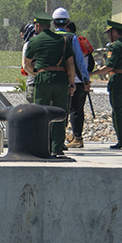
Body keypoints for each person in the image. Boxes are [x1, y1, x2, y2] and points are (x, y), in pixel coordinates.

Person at [23, 10, 76, 156]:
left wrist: (36, 73)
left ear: (38, 26)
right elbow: (71, 64)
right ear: (50, 25)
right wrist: (72, 83)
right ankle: (57, 148)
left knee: (41, 114)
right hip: (61, 79)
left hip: (42, 79)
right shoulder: (64, 40)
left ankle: (42, 146)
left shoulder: (33, 41)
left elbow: (26, 64)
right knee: (59, 114)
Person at [91, 20, 122, 149]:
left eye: (109, 33)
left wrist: (92, 74)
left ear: (115, 32)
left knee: (118, 112)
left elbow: (109, 66)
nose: (108, 36)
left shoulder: (114, 46)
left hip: (117, 81)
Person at [52, 8, 90, 149]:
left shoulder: (51, 37)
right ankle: (77, 137)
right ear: (67, 22)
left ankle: (57, 139)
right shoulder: (72, 38)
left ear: (53, 23)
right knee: (76, 110)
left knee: (60, 110)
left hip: (59, 80)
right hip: (77, 81)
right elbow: (79, 61)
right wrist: (86, 79)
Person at [20, 22, 37, 103]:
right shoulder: (45, 42)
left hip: (32, 83)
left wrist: (38, 76)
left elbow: (25, 66)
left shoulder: (28, 44)